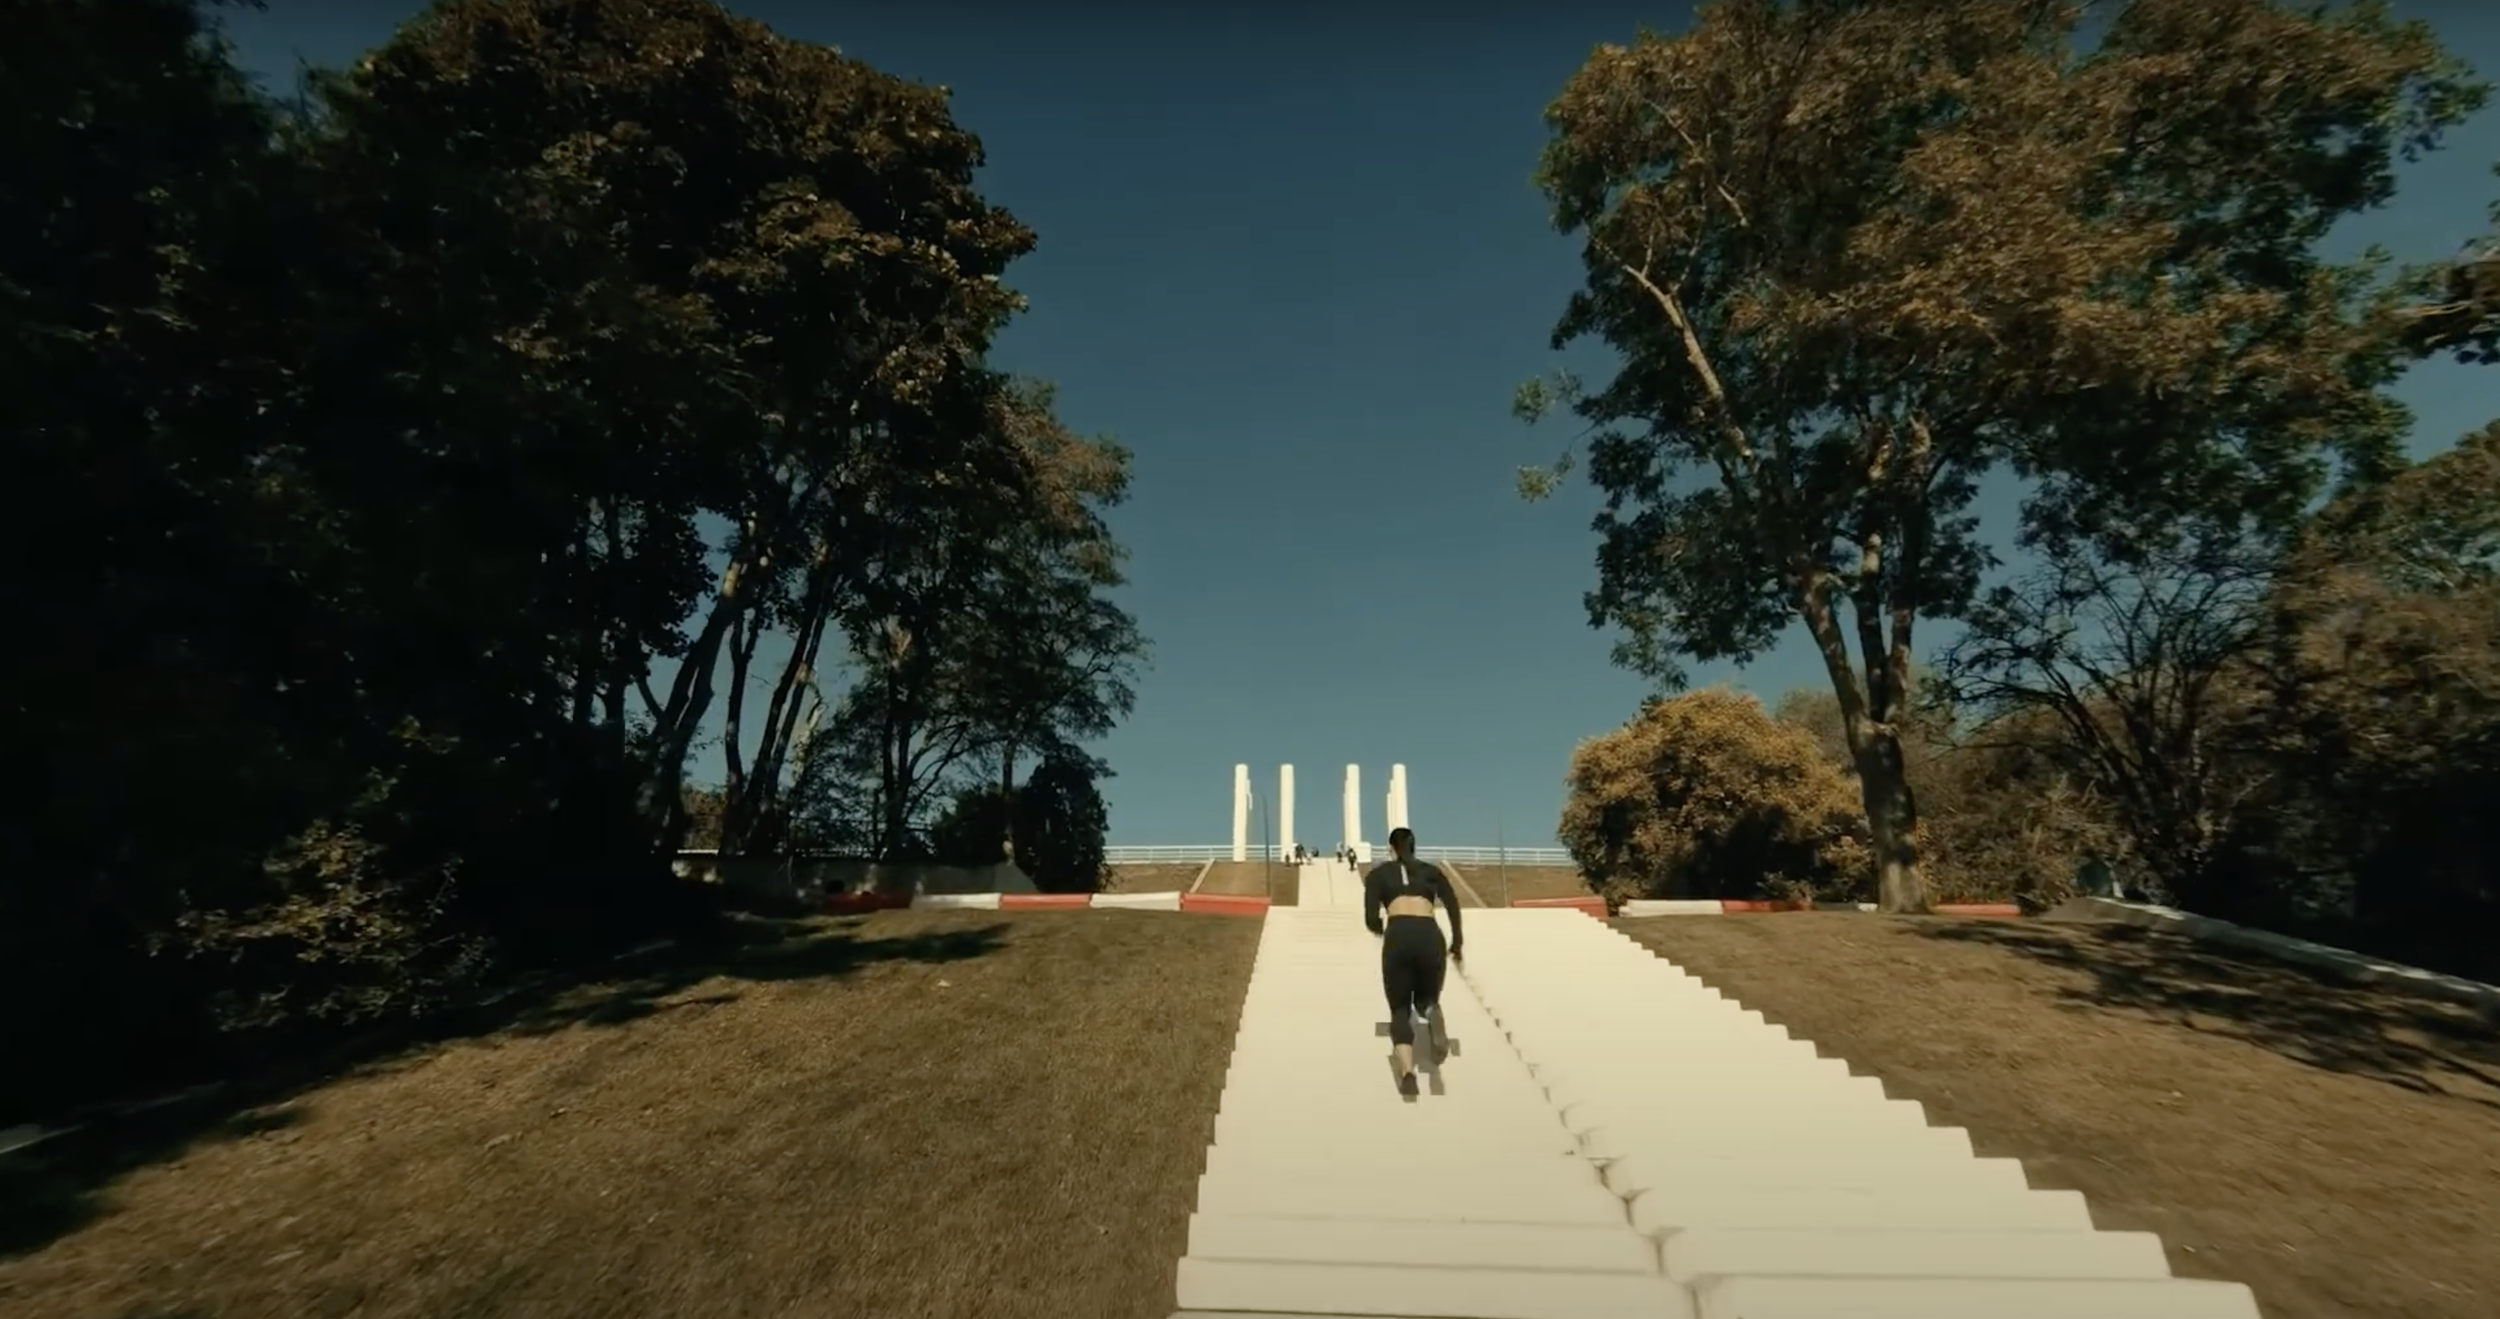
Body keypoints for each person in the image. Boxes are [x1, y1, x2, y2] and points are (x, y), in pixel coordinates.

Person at [1362, 826, 1464, 1098]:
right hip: (1430, 934)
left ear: (1390, 848)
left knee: (1398, 1008)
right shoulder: (1431, 872)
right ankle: (1431, 1012)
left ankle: (1407, 1074)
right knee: (1427, 997)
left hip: (1399, 934)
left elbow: (1371, 919)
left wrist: (1382, 929)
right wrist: (1457, 942)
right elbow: (1453, 904)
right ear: (1414, 846)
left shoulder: (1378, 875)